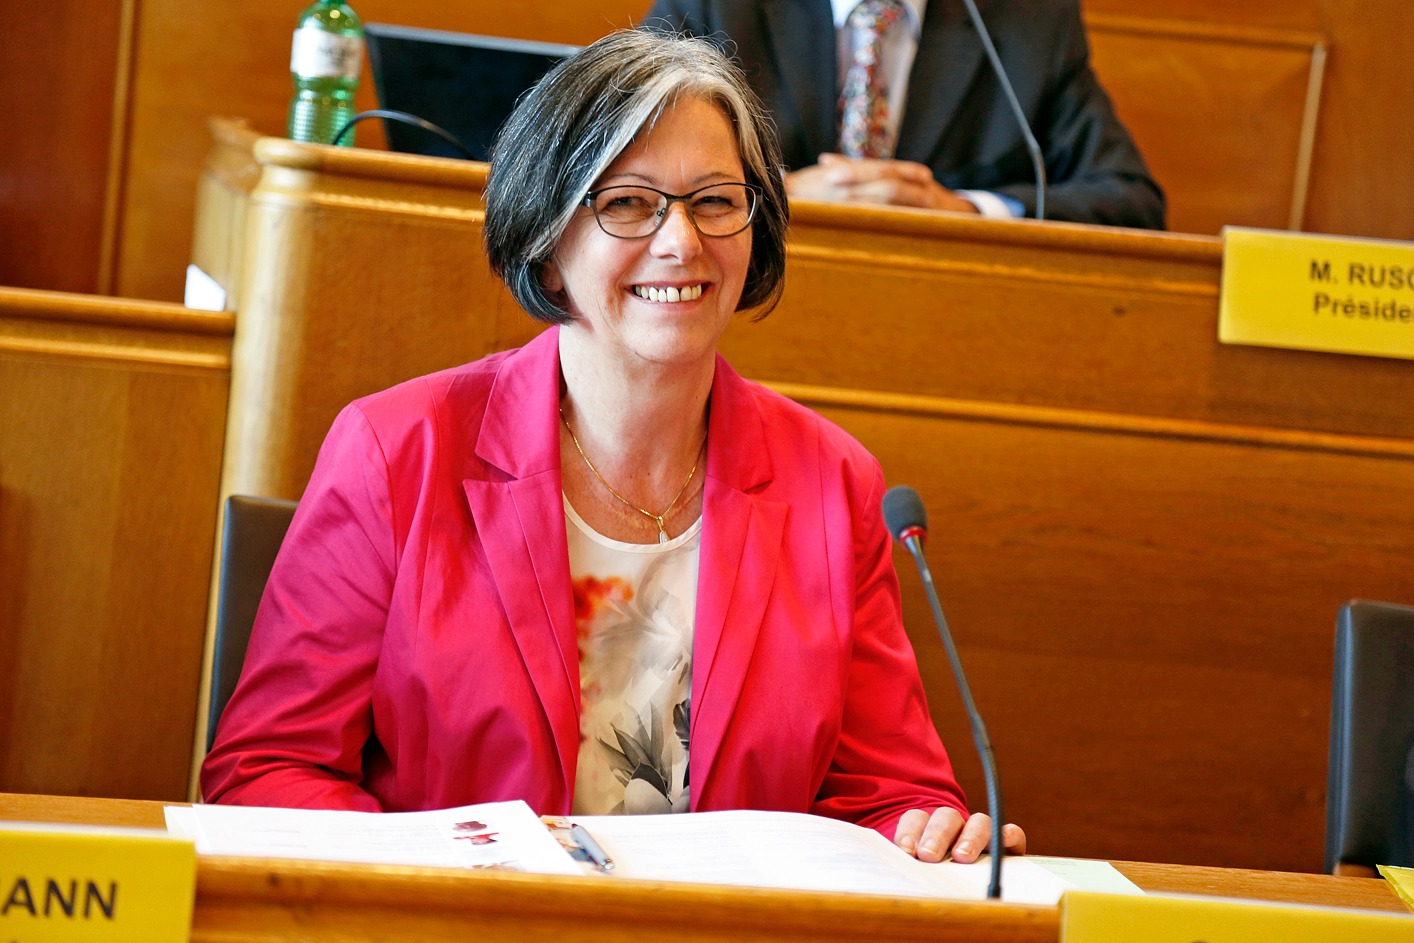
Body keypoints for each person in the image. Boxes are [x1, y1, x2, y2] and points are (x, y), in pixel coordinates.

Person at [201, 28, 1024, 864]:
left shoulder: (833, 482)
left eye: (715, 200)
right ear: (549, 244)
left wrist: (929, 831)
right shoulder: (397, 450)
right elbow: (267, 770)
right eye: (628, 202)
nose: (681, 242)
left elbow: (891, 794)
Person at [642, 0, 1166, 229]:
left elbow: (1131, 201)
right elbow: (626, 151)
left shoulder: (1029, 19)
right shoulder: (716, 2)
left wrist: (965, 212)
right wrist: (785, 193)